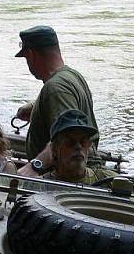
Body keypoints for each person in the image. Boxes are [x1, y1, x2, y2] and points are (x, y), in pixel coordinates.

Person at [14, 25, 98, 176]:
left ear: (31, 54)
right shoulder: (72, 76)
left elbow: (68, 137)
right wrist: (36, 108)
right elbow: (72, 114)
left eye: (26, 58)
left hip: (60, 183)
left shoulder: (56, 89)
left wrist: (34, 167)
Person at [42, 109, 117, 184]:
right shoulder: (39, 185)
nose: (78, 146)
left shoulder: (110, 181)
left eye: (83, 141)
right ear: (54, 149)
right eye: (70, 142)